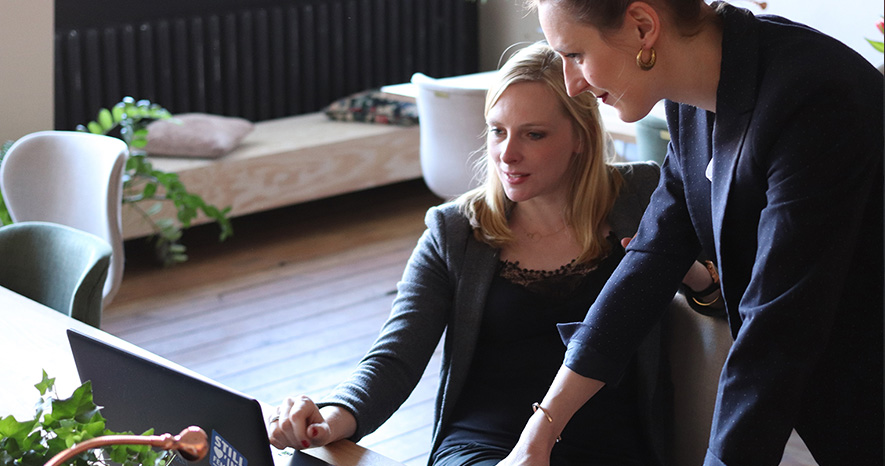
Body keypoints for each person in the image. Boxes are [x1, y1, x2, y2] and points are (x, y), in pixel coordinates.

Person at [267, 42, 719, 465]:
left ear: (580, 136)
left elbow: (726, 301)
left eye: (534, 134)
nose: (507, 154)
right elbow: (395, 358)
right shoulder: (455, 230)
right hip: (481, 445)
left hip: (610, 447)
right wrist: (329, 418)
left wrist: (690, 273)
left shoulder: (641, 194)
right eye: (498, 131)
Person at [500, 1, 884, 465]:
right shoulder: (692, 101)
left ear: (643, 26)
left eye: (576, 55)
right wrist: (539, 433)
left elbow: (777, 330)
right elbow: (651, 258)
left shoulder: (813, 95)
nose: (572, 83)